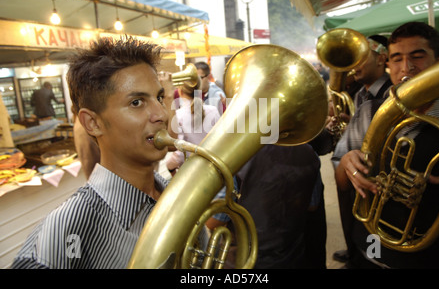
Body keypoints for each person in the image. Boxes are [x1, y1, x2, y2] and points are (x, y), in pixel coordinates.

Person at [11, 36, 179, 269]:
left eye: (159, 98)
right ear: (92, 123)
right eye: (137, 102)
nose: (161, 113)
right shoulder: (65, 231)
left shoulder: (176, 193)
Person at [332, 21, 439, 269]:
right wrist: (346, 163)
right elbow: (341, 180)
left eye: (417, 57)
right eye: (397, 59)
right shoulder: (367, 112)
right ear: (388, 64)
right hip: (368, 253)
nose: (406, 68)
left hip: (431, 257)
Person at [207, 143, 327, 269]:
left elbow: (214, 221)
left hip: (243, 261)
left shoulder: (237, 155)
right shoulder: (310, 153)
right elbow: (312, 206)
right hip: (292, 256)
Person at [332, 34, 392, 264]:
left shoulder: (389, 94)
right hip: (353, 179)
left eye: (361, 58)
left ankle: (367, 256)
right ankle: (354, 251)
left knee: (375, 243)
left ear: (381, 59)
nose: (354, 65)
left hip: (374, 185)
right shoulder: (360, 94)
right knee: (356, 225)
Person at [165, 76, 220, 174]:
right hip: (216, 170)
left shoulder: (178, 115)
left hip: (193, 174)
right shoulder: (213, 110)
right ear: (199, 90)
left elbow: (180, 151)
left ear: (180, 92)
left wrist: (170, 166)